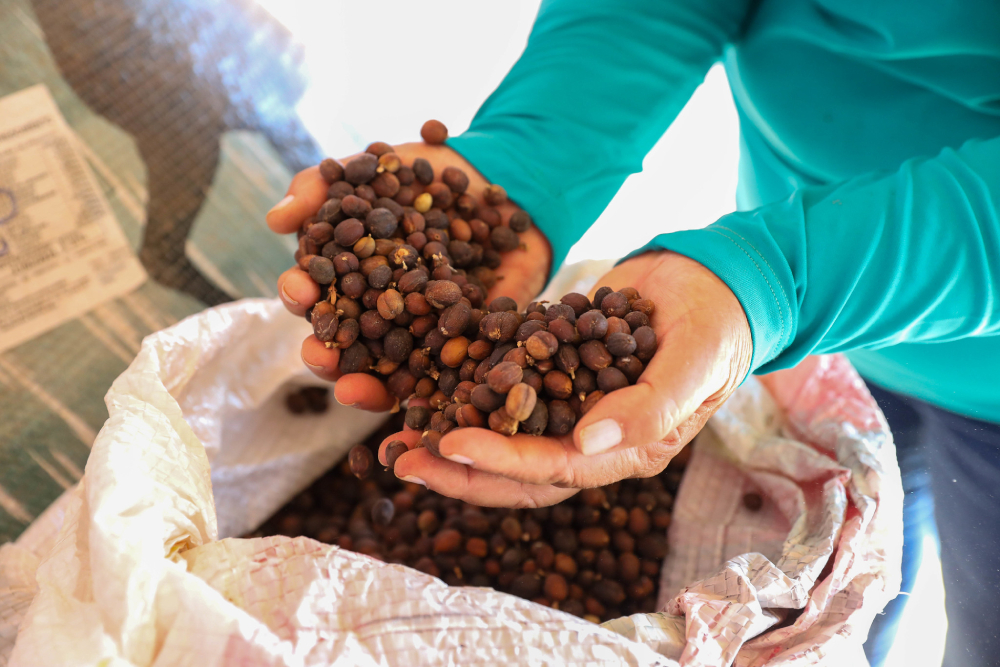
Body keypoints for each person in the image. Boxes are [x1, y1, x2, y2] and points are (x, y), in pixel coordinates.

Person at [266, 1, 1000, 664]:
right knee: (826, 586)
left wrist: (780, 275)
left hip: (977, 381)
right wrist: (538, 151)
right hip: (815, 325)